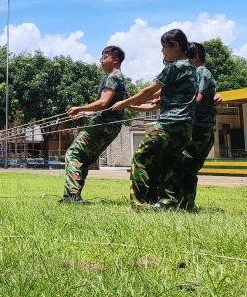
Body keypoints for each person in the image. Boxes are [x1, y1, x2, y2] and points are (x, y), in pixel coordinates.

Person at [111, 29, 197, 208]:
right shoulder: (190, 68)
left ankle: (139, 204)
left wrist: (124, 102)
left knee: (140, 158)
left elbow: (149, 90)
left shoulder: (174, 67)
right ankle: (166, 202)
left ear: (176, 46)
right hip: (185, 128)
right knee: (168, 165)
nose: (162, 51)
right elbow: (156, 96)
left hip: (169, 124)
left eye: (164, 47)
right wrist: (133, 104)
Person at [60, 46, 128, 204]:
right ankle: (73, 196)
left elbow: (103, 103)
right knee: (83, 159)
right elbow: (109, 107)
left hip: (101, 124)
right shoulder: (121, 78)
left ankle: (72, 196)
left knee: (73, 154)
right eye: (101, 58)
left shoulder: (113, 77)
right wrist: (85, 113)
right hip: (112, 127)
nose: (101, 61)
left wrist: (80, 108)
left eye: (105, 57)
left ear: (115, 59)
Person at [171, 42, 218, 210]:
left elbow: (197, 98)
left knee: (182, 165)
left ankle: (177, 203)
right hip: (202, 127)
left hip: (199, 127)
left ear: (195, 56)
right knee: (188, 168)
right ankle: (186, 204)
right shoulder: (201, 73)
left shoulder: (201, 72)